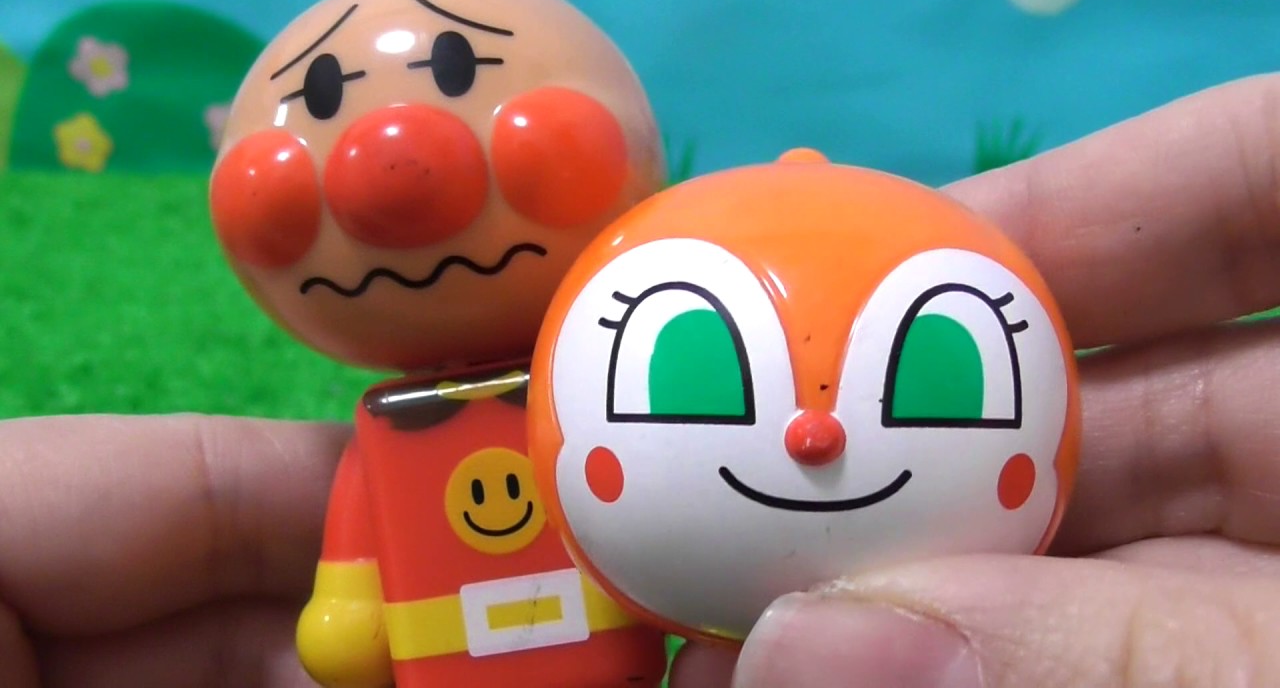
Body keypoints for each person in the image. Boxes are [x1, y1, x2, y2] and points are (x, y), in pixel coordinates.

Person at [3, 73, 1279, 687]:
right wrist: (347, 598)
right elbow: (361, 530)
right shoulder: (416, 425)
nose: (817, 431)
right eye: (699, 373)